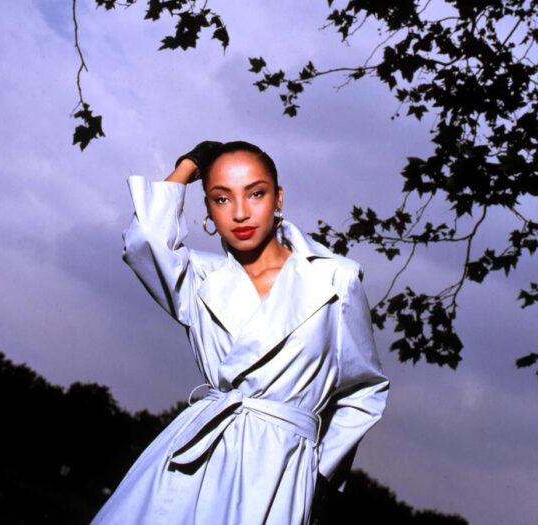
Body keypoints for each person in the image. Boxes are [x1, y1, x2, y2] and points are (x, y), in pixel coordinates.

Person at [91, 140, 389, 525]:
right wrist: (189, 165)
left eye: (256, 193)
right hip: (195, 457)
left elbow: (364, 390)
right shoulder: (199, 278)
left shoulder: (335, 278)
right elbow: (144, 241)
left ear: (278, 198)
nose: (241, 213)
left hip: (281, 471)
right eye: (222, 199)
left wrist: (316, 473)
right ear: (209, 213)